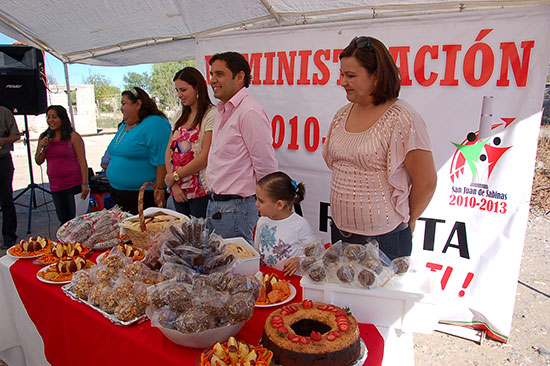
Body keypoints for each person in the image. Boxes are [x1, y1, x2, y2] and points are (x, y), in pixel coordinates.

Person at [322, 36, 437, 260]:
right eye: (342, 75)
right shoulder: (342, 114)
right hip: (339, 232)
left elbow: (426, 182)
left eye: (351, 76)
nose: (343, 82)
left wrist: (409, 220)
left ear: (376, 76)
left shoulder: (402, 118)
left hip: (384, 239)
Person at [206, 51, 278, 243]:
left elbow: (265, 165)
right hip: (217, 206)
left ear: (239, 77)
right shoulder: (222, 109)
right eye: (212, 74)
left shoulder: (250, 112)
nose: (213, 80)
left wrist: (265, 206)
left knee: (238, 270)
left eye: (219, 74)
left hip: (238, 210)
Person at [106, 87, 171, 214]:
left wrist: (159, 189)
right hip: (119, 193)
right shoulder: (126, 124)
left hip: (143, 195)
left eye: (124, 103)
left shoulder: (155, 123)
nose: (121, 108)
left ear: (138, 104)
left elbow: (162, 159)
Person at [164, 67, 216, 218]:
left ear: (197, 88)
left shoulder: (211, 114)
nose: (180, 95)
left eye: (184, 90)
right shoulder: (180, 114)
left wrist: (174, 176)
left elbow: (204, 156)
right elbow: (169, 151)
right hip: (178, 188)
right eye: (177, 91)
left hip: (200, 190)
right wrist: (174, 184)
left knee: (200, 233)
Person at [35, 105, 89, 225]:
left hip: (73, 184)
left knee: (77, 220)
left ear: (62, 118)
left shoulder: (73, 136)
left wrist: (85, 184)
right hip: (56, 186)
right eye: (48, 117)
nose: (51, 120)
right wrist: (43, 146)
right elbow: (38, 160)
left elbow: (82, 161)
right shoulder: (44, 137)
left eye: (54, 117)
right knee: (63, 220)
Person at [254, 172, 313, 276]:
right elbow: (256, 251)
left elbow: (316, 255)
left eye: (261, 201)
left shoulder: (299, 224)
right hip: (266, 277)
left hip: (291, 281)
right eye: (256, 199)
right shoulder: (262, 221)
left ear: (279, 205)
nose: (256, 204)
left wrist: (299, 261)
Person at [0, 106, 20, 248]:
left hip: (2, 160)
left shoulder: (4, 112)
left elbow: (16, 135)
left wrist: (2, 141)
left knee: (6, 200)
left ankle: (9, 238)